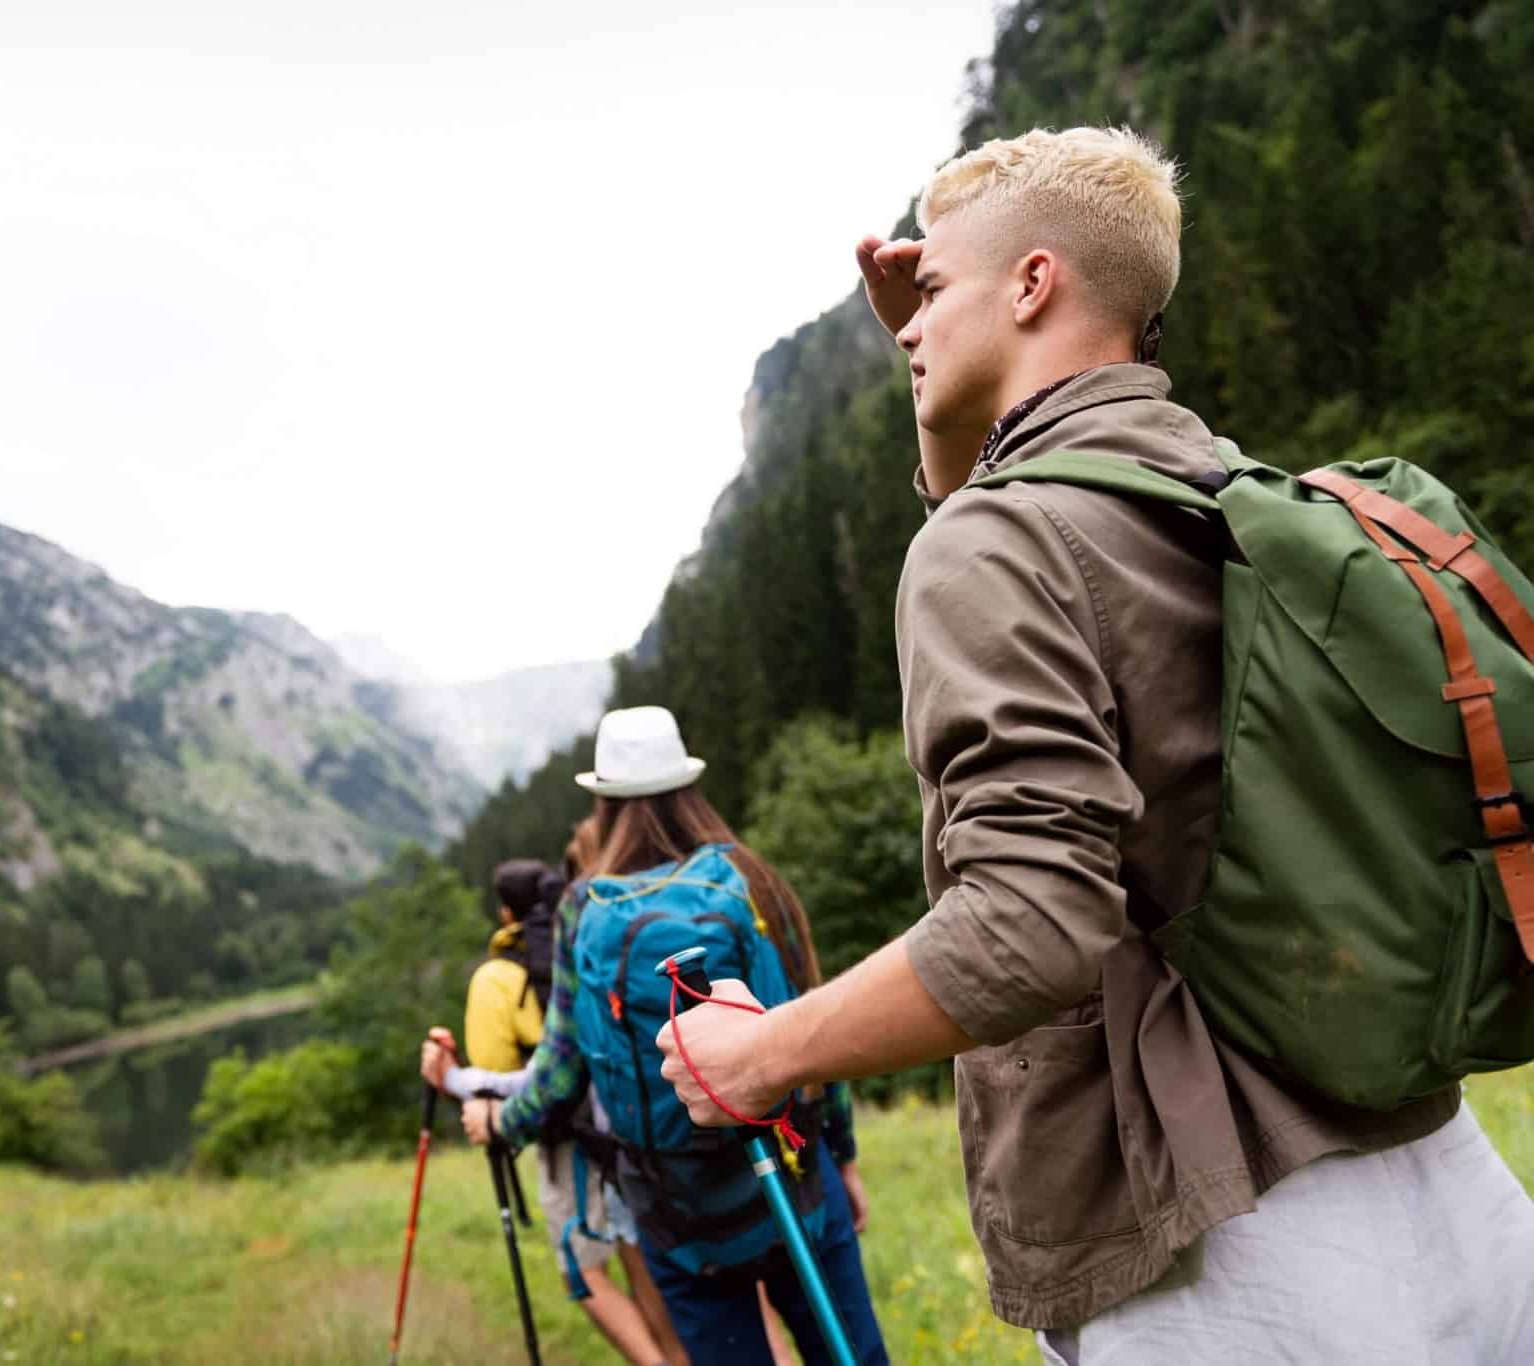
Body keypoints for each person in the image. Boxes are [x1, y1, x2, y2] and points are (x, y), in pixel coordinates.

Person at [652, 125, 1534, 1363]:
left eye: (934, 291)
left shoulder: (997, 547)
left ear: (1031, 284)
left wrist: (761, 1054)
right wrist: (945, 375)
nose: (906, 327)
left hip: (1224, 1263)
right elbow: (1003, 511)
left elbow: (1029, 921)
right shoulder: (1223, 493)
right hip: (1447, 1199)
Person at [462, 706, 888, 1365]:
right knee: (851, 1355)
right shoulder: (749, 878)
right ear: (689, 787)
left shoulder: (585, 907)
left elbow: (559, 1073)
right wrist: (844, 1160)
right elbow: (810, 1033)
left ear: (602, 802)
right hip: (796, 1178)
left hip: (679, 1213)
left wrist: (500, 1123)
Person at [419, 853, 686, 1366]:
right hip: (621, 1128)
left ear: (503, 913)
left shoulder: (496, 977)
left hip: (565, 1135)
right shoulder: (588, 941)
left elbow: (504, 1073)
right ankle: (677, 1357)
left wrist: (457, 1082)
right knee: (637, 1255)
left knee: (583, 1271)